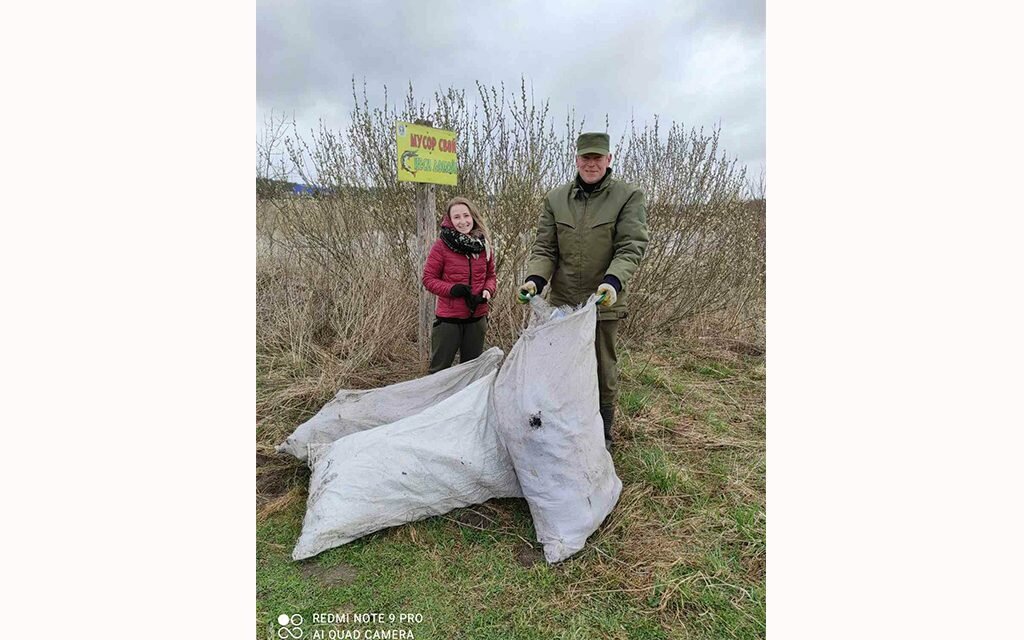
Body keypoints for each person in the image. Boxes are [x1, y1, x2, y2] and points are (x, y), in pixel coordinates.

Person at [517, 132, 649, 450]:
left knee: (602, 370)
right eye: (585, 158)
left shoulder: (629, 196)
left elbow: (631, 246)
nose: (591, 164)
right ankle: (563, 429)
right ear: (576, 160)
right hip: (563, 303)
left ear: (609, 160)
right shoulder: (555, 199)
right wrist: (535, 280)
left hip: (604, 300)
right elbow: (545, 249)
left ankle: (602, 435)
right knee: (560, 369)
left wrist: (613, 282)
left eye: (597, 158)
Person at [422, 196, 497, 374]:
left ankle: (466, 402)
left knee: (471, 371)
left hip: (477, 318)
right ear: (449, 220)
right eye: (457, 217)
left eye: (466, 215)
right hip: (449, 320)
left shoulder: (483, 245)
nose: (463, 221)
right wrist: (452, 289)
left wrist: (487, 290)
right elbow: (428, 279)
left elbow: (491, 276)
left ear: (473, 217)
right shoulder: (441, 246)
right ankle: (438, 401)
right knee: (439, 371)